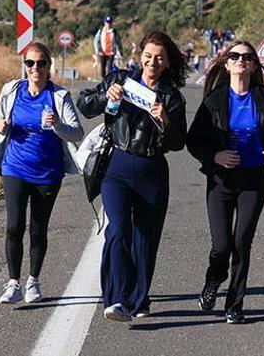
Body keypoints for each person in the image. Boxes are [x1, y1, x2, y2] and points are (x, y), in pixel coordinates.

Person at [77, 31, 189, 322]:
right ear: (140, 56)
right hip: (118, 165)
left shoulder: (172, 97)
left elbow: (179, 143)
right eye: (149, 56)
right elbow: (84, 104)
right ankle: (115, 299)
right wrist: (106, 96)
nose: (153, 62)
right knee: (118, 230)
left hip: (152, 170)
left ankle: (139, 299)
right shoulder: (120, 79)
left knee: (145, 239)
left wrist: (165, 120)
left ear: (167, 63)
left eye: (159, 58)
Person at [187, 41, 264, 324]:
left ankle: (234, 304)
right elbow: (194, 141)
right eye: (235, 56)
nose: (241, 60)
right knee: (221, 246)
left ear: (254, 64)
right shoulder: (215, 100)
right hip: (221, 181)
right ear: (226, 63)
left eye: (247, 56)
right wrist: (215, 155)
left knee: (241, 243)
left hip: (253, 180)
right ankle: (214, 278)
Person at [0, 41, 84, 304]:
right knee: (14, 226)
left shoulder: (59, 97)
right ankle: (13, 283)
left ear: (49, 66)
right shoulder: (11, 90)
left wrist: (58, 125)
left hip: (47, 173)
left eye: (41, 63)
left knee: (38, 229)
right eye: (30, 63)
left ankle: (33, 281)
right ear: (24, 66)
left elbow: (77, 132)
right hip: (14, 167)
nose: (35, 68)